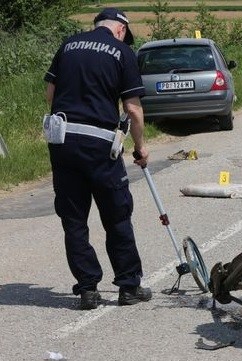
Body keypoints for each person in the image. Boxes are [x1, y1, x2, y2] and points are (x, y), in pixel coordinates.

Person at [43, 7, 152, 310]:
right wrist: (141, 147)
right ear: (120, 29)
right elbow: (132, 109)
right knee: (116, 215)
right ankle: (128, 286)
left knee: (74, 218)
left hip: (63, 142)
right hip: (100, 146)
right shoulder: (122, 52)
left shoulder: (68, 45)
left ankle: (88, 289)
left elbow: (50, 95)